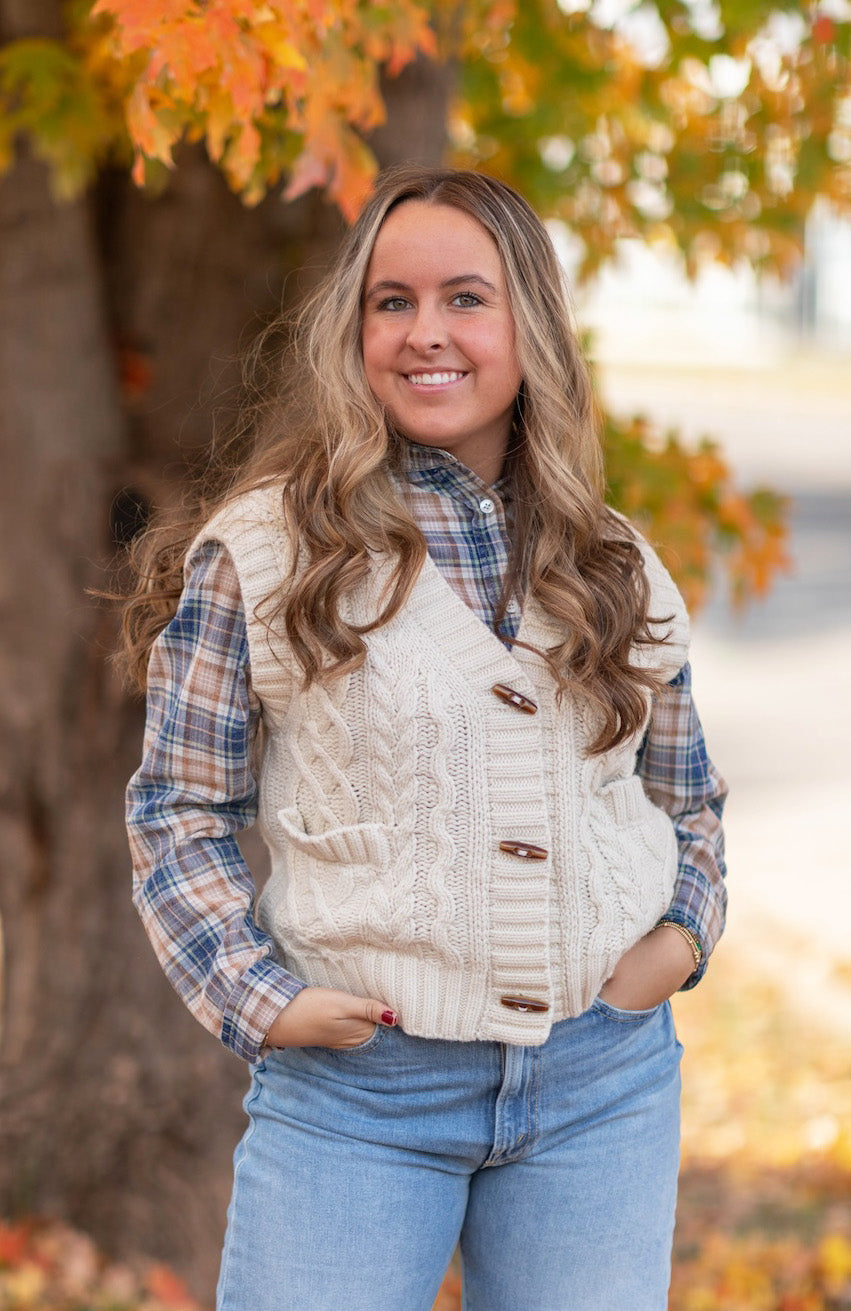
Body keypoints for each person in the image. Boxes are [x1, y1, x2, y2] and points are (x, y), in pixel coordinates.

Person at [124, 165, 727, 1311]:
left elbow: (687, 800)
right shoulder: (264, 555)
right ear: (351, 331)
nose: (422, 334)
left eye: (464, 297)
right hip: (359, 1100)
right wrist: (260, 1000)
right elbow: (177, 812)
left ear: (529, 325)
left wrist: (680, 941)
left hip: (601, 1088)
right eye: (389, 303)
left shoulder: (615, 562)